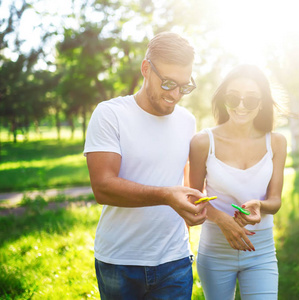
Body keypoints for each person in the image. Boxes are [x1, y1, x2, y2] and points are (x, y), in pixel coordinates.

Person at [84, 32, 208, 300]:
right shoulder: (110, 114)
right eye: (168, 83)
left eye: (184, 87)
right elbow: (103, 188)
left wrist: (197, 205)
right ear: (145, 68)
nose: (175, 95)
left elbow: (186, 183)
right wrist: (166, 196)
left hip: (175, 259)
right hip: (120, 261)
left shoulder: (187, 120)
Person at [189, 64, 287, 299]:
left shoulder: (276, 142)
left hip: (261, 250)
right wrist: (222, 219)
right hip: (215, 252)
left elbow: (275, 200)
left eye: (251, 100)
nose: (241, 106)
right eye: (234, 98)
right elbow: (194, 197)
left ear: (262, 102)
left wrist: (260, 206)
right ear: (224, 99)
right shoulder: (203, 141)